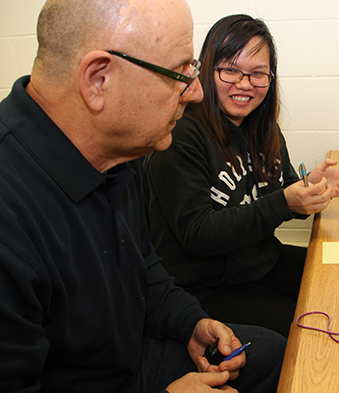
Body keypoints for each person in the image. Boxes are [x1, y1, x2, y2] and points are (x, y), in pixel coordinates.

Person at [0, 1, 285, 392]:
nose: (197, 93)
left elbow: (142, 267)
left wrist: (189, 322)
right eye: (179, 72)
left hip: (129, 356)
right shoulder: (11, 211)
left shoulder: (120, 149)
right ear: (99, 79)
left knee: (273, 355)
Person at [143, 14, 339, 338]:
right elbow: (197, 233)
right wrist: (286, 203)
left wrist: (309, 186)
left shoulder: (264, 128)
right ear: (206, 70)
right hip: (205, 287)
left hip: (260, 262)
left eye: (258, 74)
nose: (245, 85)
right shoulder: (181, 135)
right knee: (313, 332)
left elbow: (276, 193)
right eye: (230, 70)